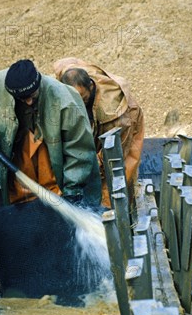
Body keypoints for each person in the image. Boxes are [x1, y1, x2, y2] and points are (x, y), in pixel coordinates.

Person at [0, 59, 102, 304]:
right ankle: (25, 285)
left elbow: (80, 151)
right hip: (19, 158)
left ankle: (68, 286)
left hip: (56, 161)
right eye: (20, 98)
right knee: (22, 216)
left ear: (39, 85)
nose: (27, 102)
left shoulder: (65, 100)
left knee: (59, 220)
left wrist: (73, 189)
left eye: (32, 96)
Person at [53, 57, 145, 208]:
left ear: (90, 86)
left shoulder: (117, 114)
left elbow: (114, 153)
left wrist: (88, 167)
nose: (79, 104)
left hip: (125, 126)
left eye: (82, 99)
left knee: (115, 178)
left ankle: (114, 214)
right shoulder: (68, 75)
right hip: (97, 118)